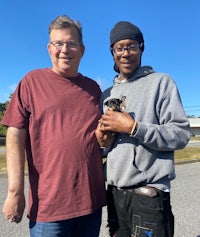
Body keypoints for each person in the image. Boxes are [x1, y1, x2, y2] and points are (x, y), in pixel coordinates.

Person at [1, 15, 106, 237]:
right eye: (58, 43)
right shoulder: (31, 82)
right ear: (49, 48)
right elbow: (14, 136)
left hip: (91, 203)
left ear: (82, 49)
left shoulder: (93, 88)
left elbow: (101, 137)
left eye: (71, 43)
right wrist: (15, 191)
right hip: (50, 207)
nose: (65, 49)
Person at [95, 21, 190, 237]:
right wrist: (102, 144)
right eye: (120, 47)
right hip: (115, 195)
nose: (126, 53)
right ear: (112, 52)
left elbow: (181, 134)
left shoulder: (161, 83)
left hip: (149, 196)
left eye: (132, 46)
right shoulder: (106, 94)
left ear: (141, 48)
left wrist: (134, 128)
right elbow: (105, 151)